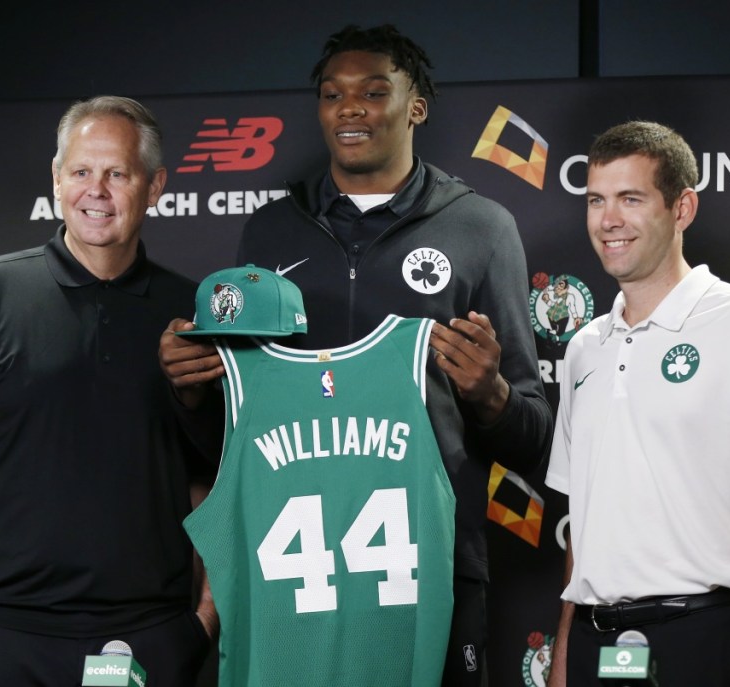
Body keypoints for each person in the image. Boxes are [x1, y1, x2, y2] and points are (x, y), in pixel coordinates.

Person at [159, 24, 554, 686]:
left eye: (374, 91)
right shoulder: (272, 228)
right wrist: (193, 390)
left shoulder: (481, 227)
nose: (351, 108)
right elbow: (234, 433)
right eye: (333, 93)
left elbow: (534, 437)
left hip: (429, 558)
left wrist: (490, 392)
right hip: (296, 562)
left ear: (416, 105)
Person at [0, 95, 217, 686]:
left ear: (155, 186)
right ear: (57, 179)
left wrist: (202, 619)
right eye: (81, 171)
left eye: (118, 173)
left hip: (147, 636)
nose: (97, 190)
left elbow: (214, 475)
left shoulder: (195, 314)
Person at [545, 121, 730, 686]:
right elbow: (585, 522)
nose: (609, 221)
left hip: (709, 636)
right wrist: (565, 648)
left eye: (631, 198)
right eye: (597, 200)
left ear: (682, 208)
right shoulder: (583, 348)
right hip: (596, 646)